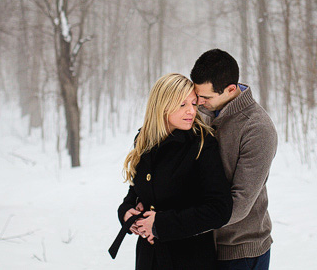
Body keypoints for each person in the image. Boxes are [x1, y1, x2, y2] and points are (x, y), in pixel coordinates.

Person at [114, 73, 233, 270]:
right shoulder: (144, 140)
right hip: (149, 258)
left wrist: (160, 224)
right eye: (182, 105)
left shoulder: (202, 144)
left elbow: (219, 209)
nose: (191, 112)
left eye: (194, 104)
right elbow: (137, 191)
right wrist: (126, 212)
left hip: (189, 258)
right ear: (162, 105)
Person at [191, 49, 278, 270]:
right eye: (197, 94)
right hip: (204, 246)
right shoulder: (202, 113)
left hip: (241, 251)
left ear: (231, 89)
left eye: (206, 97)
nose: (199, 102)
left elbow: (240, 203)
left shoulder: (258, 128)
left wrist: (182, 224)